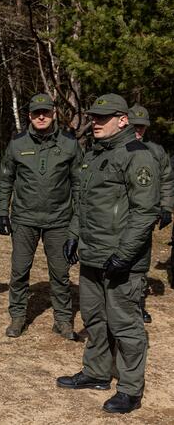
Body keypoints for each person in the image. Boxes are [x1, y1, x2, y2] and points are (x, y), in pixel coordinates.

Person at [58, 93, 159, 414]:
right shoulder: (95, 153)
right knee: (95, 319)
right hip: (91, 254)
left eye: (103, 118)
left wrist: (125, 254)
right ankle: (97, 372)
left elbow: (145, 212)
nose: (95, 123)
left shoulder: (137, 156)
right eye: (93, 117)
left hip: (121, 260)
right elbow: (83, 201)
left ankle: (130, 389)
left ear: (123, 120)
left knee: (125, 325)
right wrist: (74, 234)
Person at [0, 93, 82, 339]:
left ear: (54, 114)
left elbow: (79, 185)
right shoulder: (17, 144)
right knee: (20, 270)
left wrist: (76, 224)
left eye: (45, 112)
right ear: (30, 116)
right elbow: (5, 180)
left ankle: (63, 320)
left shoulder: (69, 144)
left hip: (59, 221)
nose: (41, 116)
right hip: (24, 219)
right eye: (36, 113)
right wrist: (2, 213)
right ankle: (18, 316)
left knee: (60, 273)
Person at [128, 103, 173, 323]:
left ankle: (136, 305)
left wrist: (166, 207)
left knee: (139, 263)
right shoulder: (116, 148)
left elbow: (166, 180)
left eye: (142, 126)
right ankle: (113, 307)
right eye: (134, 125)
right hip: (116, 217)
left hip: (143, 217)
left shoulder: (156, 151)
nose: (138, 130)